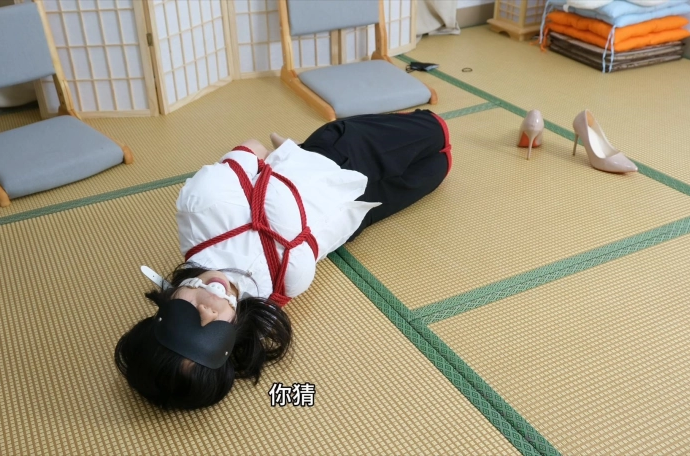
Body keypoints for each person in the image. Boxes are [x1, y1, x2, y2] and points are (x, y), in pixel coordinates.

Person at [115, 109, 452, 410]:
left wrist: (278, 162)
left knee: (437, 129)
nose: (208, 311)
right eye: (212, 336)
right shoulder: (259, 305)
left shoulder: (204, 206)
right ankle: (292, 150)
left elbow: (252, 148)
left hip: (338, 155)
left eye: (185, 319)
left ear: (164, 307)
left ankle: (296, 150)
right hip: (357, 212)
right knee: (442, 165)